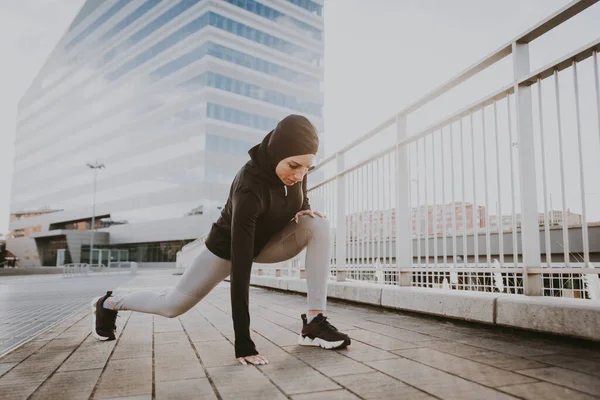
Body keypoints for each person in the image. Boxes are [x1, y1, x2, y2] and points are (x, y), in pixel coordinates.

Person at [92, 114, 351, 366]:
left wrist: (304, 205)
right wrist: (244, 343)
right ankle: (111, 303)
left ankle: (314, 324)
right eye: (294, 166)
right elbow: (240, 272)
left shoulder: (295, 171)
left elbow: (300, 192)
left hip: (267, 244)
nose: (299, 175)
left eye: (307, 168)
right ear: (276, 153)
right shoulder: (248, 188)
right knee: (172, 305)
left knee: (317, 223)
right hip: (226, 250)